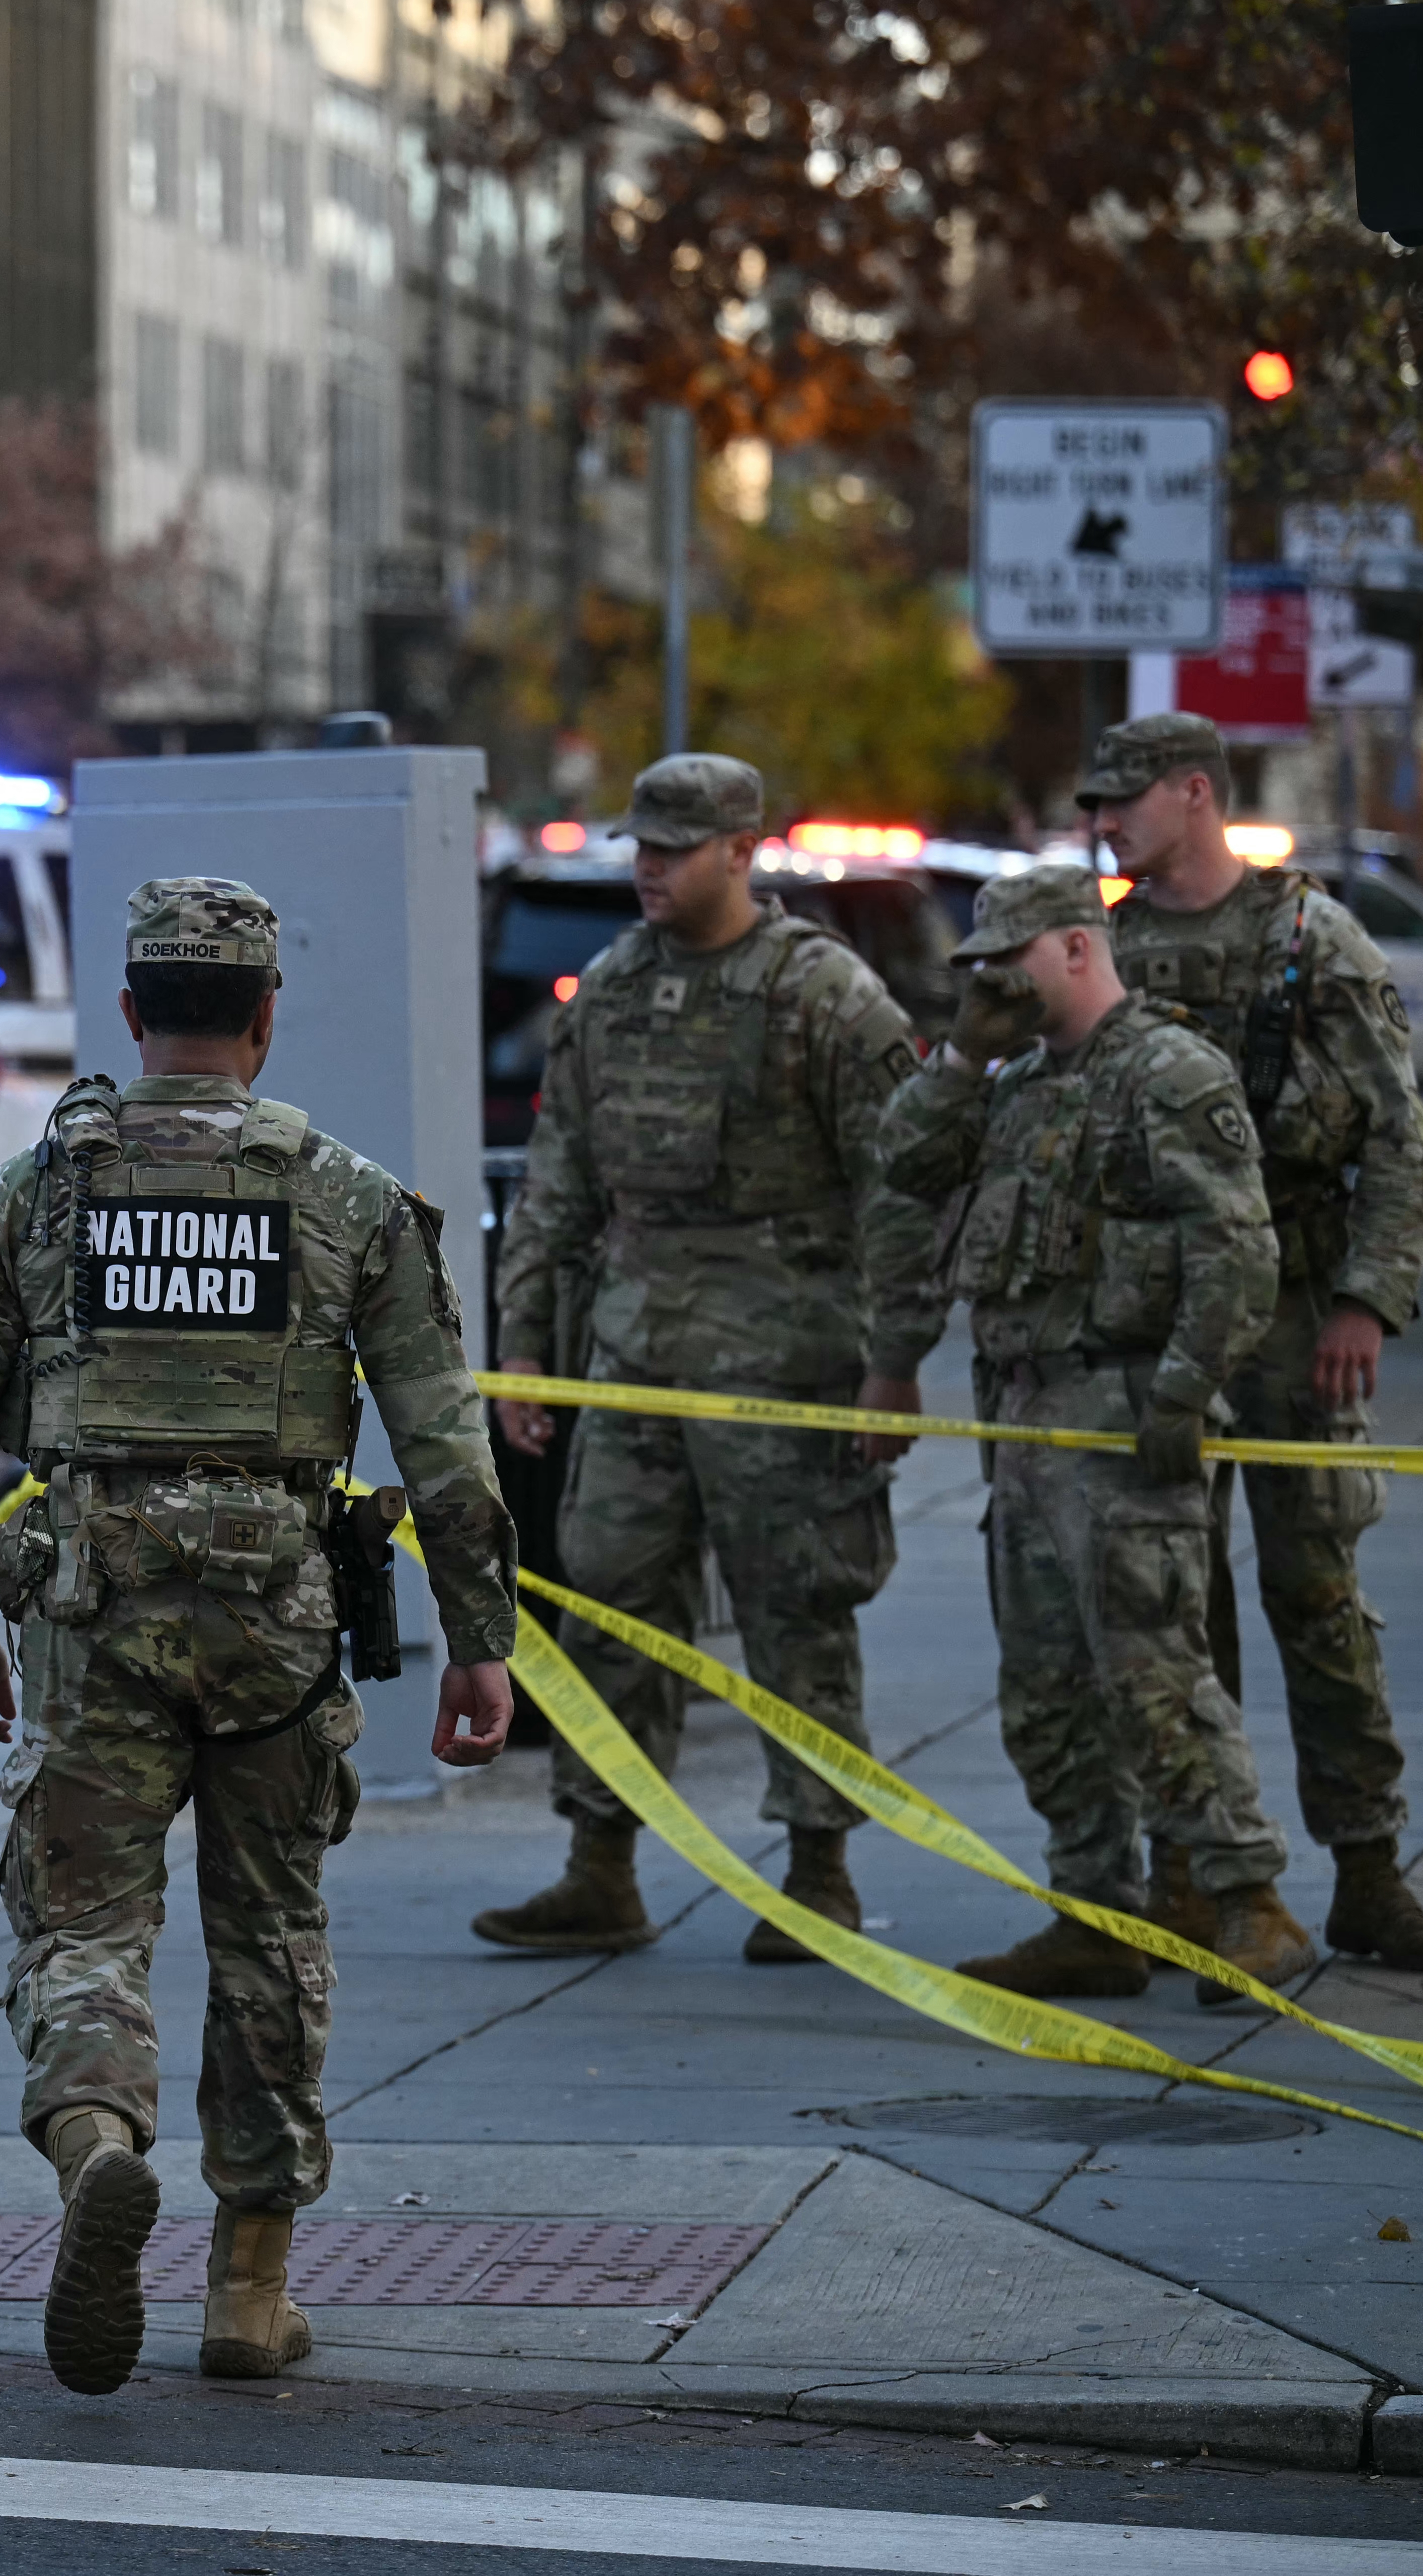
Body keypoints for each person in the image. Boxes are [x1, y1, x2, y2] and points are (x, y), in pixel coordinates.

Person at [0, 876, 518, 2397]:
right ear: (261, 1018)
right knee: (270, 1937)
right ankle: (250, 2284)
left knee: (83, 1925)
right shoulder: (350, 1199)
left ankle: (99, 2142)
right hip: (277, 1619)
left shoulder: (32, 1195)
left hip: (90, 1607)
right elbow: (445, 1436)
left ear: (128, 1013)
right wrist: (479, 1636)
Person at [477, 754, 936, 1963]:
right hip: (633, 1354)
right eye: (641, 846)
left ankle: (815, 1870)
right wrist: (526, 1345)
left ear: (743, 850)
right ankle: (599, 1861)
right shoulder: (612, 992)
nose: (648, 868)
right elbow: (557, 1183)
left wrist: (895, 1363)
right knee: (609, 1599)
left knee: (795, 1608)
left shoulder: (824, 995)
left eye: (674, 848)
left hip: (786, 1361)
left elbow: (902, 1187)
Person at [877, 863, 1308, 2004]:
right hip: (1021, 1417)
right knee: (1046, 1688)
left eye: (1009, 961)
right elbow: (903, 1162)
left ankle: (1245, 1898)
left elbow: (1237, 1249)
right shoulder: (1010, 1078)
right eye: (978, 969)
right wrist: (961, 1052)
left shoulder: (1165, 1070)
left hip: (1118, 1414)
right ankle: (1094, 1909)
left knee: (1152, 1675)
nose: (995, 984)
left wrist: (1182, 1389)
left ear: (1075, 947)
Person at [1083, 711, 1423, 1973]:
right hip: (1154, 1319)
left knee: (1315, 1595)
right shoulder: (1109, 948)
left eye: (1125, 799)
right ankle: (1195, 1875)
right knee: (1168, 1609)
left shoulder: (1309, 937)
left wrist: (1365, 1297)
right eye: (1096, 804)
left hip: (1297, 1314)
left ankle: (1365, 1869)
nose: (1105, 821)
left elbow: (1400, 1141)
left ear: (1195, 793)